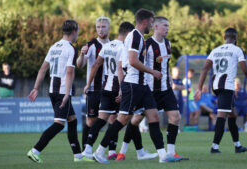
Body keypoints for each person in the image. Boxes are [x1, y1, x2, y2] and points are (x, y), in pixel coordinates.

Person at [92, 8, 182, 164]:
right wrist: (152, 71)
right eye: (152, 22)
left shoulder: (137, 36)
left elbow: (125, 61)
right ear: (145, 21)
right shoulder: (135, 36)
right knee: (122, 120)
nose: (152, 25)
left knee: (153, 116)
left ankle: (163, 155)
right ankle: (99, 151)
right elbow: (132, 61)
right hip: (133, 84)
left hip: (142, 85)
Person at [116, 16, 188, 161]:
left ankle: (171, 152)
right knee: (135, 120)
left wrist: (170, 81)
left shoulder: (168, 43)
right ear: (155, 27)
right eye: (164, 26)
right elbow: (136, 63)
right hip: (149, 90)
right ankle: (122, 152)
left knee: (175, 117)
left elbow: (166, 65)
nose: (167, 28)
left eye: (168, 26)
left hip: (166, 89)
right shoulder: (147, 44)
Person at [82, 21, 156, 161]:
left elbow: (96, 65)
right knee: (127, 119)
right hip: (119, 90)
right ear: (128, 33)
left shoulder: (107, 46)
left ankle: (88, 149)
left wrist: (88, 84)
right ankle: (132, 152)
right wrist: (122, 90)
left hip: (106, 88)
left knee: (102, 120)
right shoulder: (124, 47)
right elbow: (121, 69)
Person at [26, 20, 91, 163]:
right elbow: (69, 72)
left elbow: (43, 69)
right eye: (78, 31)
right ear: (74, 31)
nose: (78, 34)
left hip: (52, 90)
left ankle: (78, 156)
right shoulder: (70, 49)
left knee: (72, 120)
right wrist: (67, 94)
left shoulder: (54, 46)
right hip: (62, 91)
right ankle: (35, 150)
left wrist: (36, 88)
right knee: (59, 124)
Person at [194, 28, 247, 154]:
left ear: (224, 37)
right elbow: (245, 70)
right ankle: (214, 147)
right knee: (221, 115)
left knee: (232, 114)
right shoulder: (237, 50)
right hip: (227, 86)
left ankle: (237, 146)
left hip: (216, 85)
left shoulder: (215, 50)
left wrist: (199, 88)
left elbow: (204, 69)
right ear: (235, 38)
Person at [77, 16, 111, 150]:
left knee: (112, 119)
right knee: (91, 121)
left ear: (109, 28)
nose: (100, 30)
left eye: (103, 27)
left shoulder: (114, 45)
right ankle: (85, 150)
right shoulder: (91, 45)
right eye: (98, 27)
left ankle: (111, 151)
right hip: (93, 89)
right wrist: (81, 54)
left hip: (109, 89)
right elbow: (80, 65)